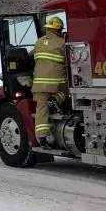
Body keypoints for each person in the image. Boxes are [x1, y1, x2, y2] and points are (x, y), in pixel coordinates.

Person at [32, 15, 68, 147]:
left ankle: (42, 138)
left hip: (39, 83)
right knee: (67, 90)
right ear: (58, 30)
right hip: (57, 82)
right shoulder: (62, 43)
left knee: (41, 109)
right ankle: (55, 100)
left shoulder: (39, 42)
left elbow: (32, 56)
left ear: (47, 28)